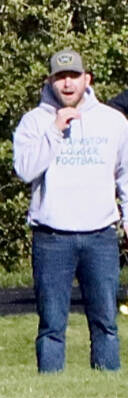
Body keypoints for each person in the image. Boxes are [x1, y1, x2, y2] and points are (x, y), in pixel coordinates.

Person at [13, 48, 128, 373]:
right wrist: (54, 130)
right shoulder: (34, 121)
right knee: (51, 325)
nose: (67, 84)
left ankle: (106, 386)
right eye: (60, 77)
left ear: (86, 79)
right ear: (50, 80)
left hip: (100, 235)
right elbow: (25, 170)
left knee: (105, 321)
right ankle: (52, 390)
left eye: (73, 77)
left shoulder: (113, 121)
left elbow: (125, 175)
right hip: (52, 237)